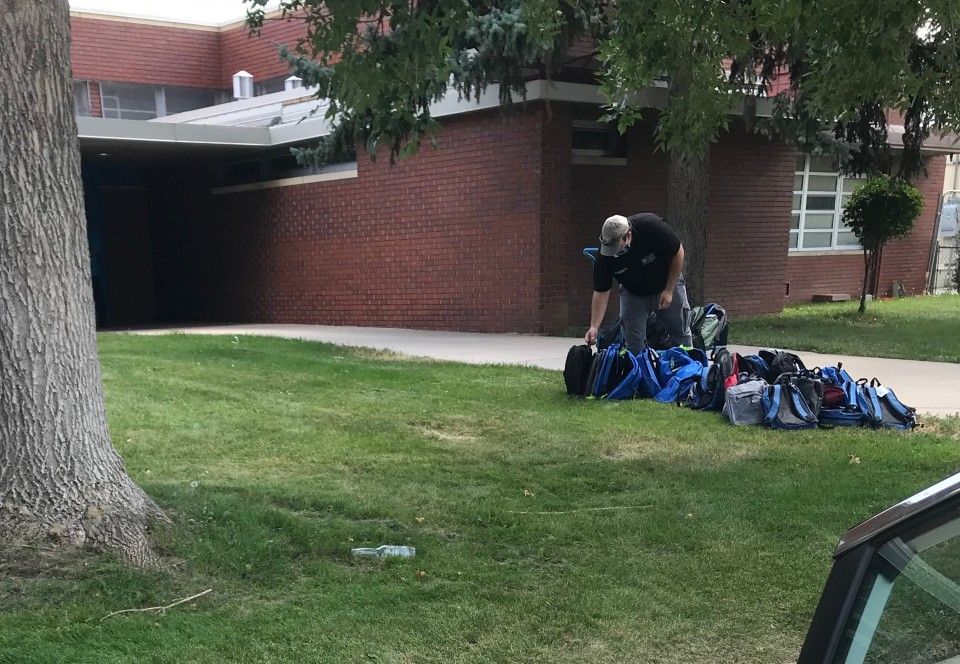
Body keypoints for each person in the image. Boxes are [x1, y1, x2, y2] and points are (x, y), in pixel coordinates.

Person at [585, 213, 692, 355]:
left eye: (617, 248)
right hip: (633, 292)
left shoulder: (652, 227)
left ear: (628, 235)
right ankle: (639, 372)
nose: (614, 254)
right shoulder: (604, 257)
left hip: (666, 283)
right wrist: (594, 326)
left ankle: (688, 369)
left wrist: (669, 290)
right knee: (634, 342)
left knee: (680, 333)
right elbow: (601, 291)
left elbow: (678, 252)